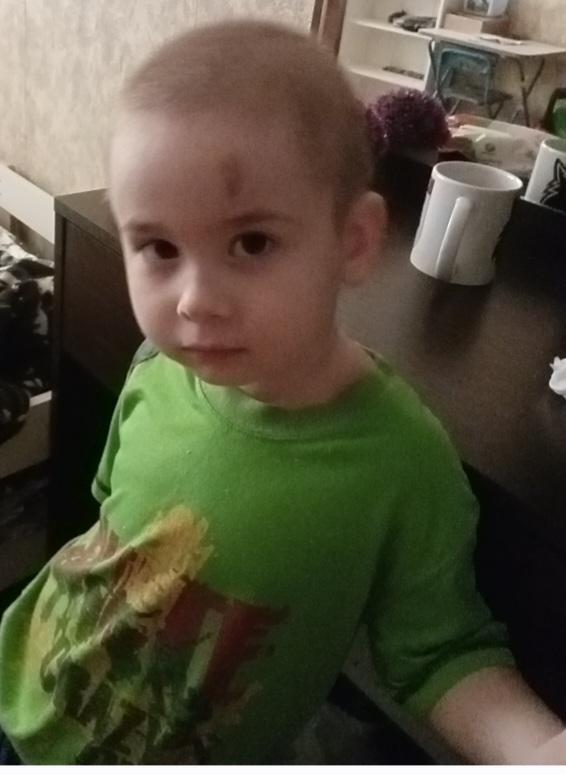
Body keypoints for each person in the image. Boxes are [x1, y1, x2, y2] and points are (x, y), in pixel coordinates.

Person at [0, 20, 564, 766]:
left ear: (354, 241)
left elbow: (442, 652)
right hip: (21, 683)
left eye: (252, 242)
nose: (194, 300)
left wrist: (541, 749)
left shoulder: (399, 459)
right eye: (159, 247)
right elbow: (107, 523)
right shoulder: (155, 367)